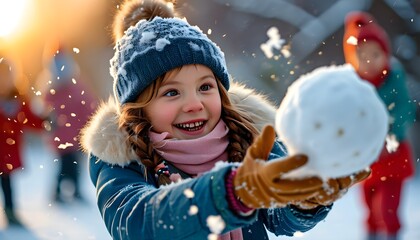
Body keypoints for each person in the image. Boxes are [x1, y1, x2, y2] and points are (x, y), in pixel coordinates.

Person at [80, 1, 369, 239]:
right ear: (139, 108)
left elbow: (280, 218)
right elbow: (136, 223)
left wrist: (305, 201)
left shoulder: (249, 139)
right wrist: (228, 193)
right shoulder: (121, 160)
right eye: (171, 92)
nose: (194, 104)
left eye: (205, 87)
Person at [343, 11, 416, 240]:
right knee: (369, 207)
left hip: (392, 156)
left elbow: (405, 110)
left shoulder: (394, 80)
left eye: (375, 54)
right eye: (362, 55)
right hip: (367, 161)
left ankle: (391, 235)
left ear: (385, 54)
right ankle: (372, 234)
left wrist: (390, 134)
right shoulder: (353, 85)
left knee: (387, 208)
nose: (369, 61)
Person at [40, 46, 97, 203]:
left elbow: (89, 106)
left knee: (75, 166)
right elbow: (44, 112)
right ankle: (58, 191)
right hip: (60, 137)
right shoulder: (50, 90)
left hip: (77, 135)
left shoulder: (77, 87)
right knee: (65, 166)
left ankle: (75, 190)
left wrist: (92, 123)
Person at [0, 56, 47, 226]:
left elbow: (29, 119)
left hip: (7, 153)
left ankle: (10, 212)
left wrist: (45, 122)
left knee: (7, 184)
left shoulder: (18, 101)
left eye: (7, 77)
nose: (3, 82)